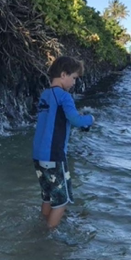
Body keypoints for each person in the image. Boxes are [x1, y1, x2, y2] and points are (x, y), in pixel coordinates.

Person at [32, 56, 94, 229]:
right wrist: (90, 118)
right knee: (62, 201)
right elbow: (75, 120)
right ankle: (49, 239)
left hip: (38, 155)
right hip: (54, 155)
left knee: (47, 195)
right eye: (73, 78)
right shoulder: (64, 97)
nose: (74, 82)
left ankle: (42, 225)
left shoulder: (45, 95)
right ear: (63, 74)